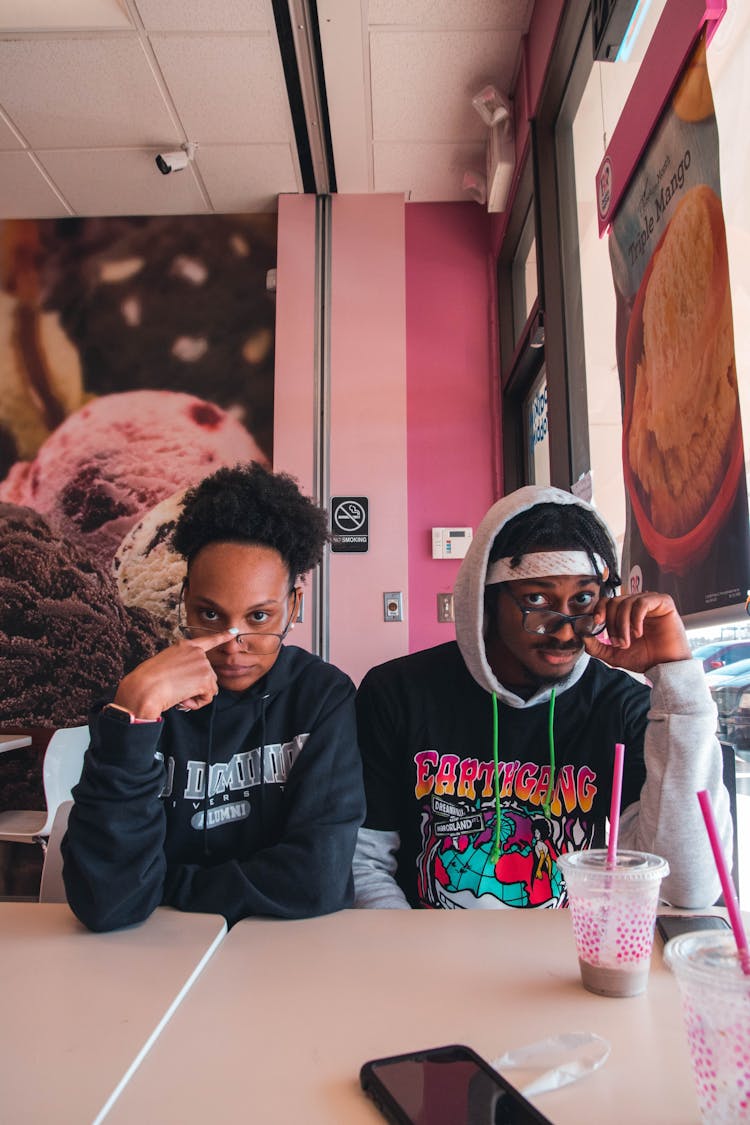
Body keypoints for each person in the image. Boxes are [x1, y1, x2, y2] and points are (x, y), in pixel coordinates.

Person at [353, 485, 732, 911]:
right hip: (420, 958)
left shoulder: (621, 705)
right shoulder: (398, 692)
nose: (567, 629)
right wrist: (408, 964)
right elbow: (364, 866)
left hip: (566, 961)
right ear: (485, 598)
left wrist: (675, 678)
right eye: (537, 599)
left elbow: (686, 888)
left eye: (584, 599)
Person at [63, 463, 365, 930]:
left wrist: (167, 887)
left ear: (294, 607)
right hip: (153, 956)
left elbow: (317, 879)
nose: (232, 642)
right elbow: (107, 904)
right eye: (209, 613)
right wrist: (135, 716)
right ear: (185, 601)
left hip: (290, 951)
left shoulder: (320, 697)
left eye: (260, 617)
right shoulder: (139, 699)